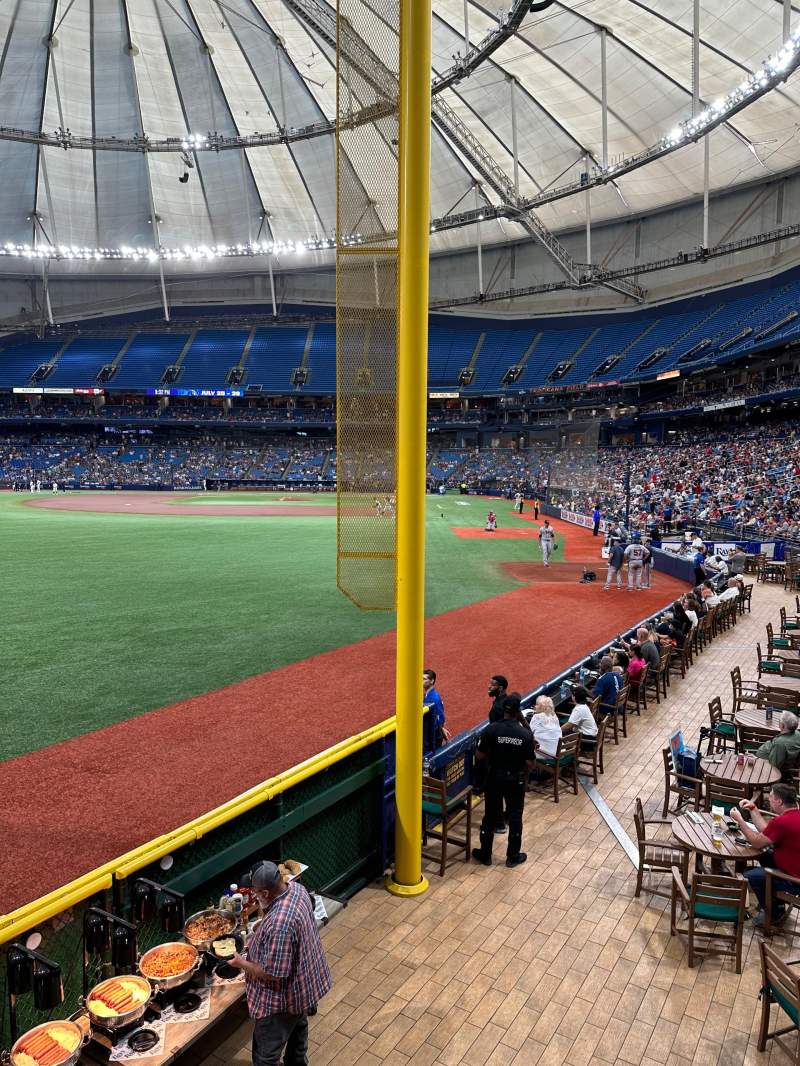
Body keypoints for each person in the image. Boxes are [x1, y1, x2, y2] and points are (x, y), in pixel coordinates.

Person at [230, 860, 332, 1065]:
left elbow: (273, 973)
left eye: (257, 892)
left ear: (266, 893)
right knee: (297, 1037)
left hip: (282, 1000)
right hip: (304, 985)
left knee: (265, 1056)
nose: (256, 895)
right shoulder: (298, 889)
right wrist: (264, 926)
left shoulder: (280, 924)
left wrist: (241, 962)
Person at [472, 695, 535, 867]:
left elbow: (479, 755)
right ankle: (513, 856)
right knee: (515, 816)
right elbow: (530, 763)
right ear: (517, 712)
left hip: (494, 778)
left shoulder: (491, 729)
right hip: (515, 780)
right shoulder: (525, 734)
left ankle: (485, 854)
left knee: (490, 816)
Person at [730, 784, 800, 927]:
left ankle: (773, 913)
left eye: (771, 797)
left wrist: (740, 821)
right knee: (764, 855)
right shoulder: (793, 816)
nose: (769, 800)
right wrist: (753, 809)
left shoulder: (783, 822)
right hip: (793, 866)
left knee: (751, 875)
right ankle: (776, 903)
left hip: (794, 881)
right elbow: (768, 831)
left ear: (779, 801)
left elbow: (756, 842)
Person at [423, 669, 449, 747]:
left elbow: (440, 718)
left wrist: (440, 729)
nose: (421, 681)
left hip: (433, 737)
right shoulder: (428, 695)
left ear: (432, 681)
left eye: (424, 679)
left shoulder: (434, 698)